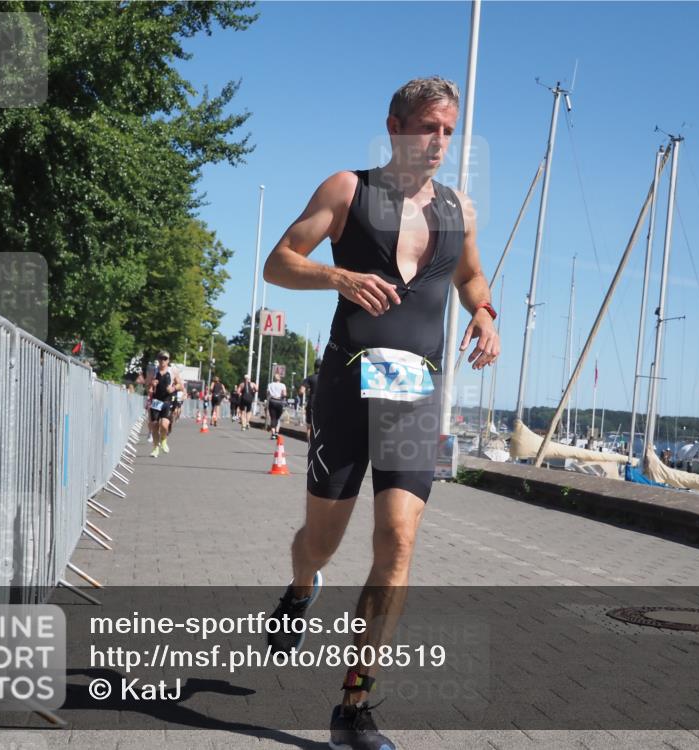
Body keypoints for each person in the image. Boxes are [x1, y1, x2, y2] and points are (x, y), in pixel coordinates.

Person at [261, 76, 499, 749]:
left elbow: (472, 276)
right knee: (322, 543)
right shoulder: (347, 190)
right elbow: (278, 262)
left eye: (448, 131)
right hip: (345, 390)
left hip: (415, 397)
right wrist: (338, 277)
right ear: (394, 126)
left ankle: (353, 709)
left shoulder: (460, 211)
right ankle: (302, 588)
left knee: (397, 541)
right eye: (428, 127)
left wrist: (485, 312)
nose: (439, 142)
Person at [145, 351, 183, 458]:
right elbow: (146, 386)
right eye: (161, 358)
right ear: (158, 359)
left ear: (168, 360)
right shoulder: (153, 371)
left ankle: (164, 440)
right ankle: (155, 448)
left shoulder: (173, 372)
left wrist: (173, 388)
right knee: (154, 426)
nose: (163, 361)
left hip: (167, 401)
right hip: (156, 401)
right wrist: (151, 384)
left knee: (164, 425)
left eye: (165, 359)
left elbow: (180, 385)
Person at [298, 358, 321, 441]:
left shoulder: (310, 378)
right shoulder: (326, 379)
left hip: (312, 403)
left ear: (314, 367)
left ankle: (310, 447)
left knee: (309, 427)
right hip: (323, 405)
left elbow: (301, 391)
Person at [266, 372, 287, 439]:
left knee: (273, 418)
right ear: (280, 379)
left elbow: (267, 393)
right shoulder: (283, 385)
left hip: (272, 401)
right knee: (278, 418)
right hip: (279, 402)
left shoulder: (270, 385)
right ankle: (277, 432)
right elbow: (284, 394)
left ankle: (273, 433)